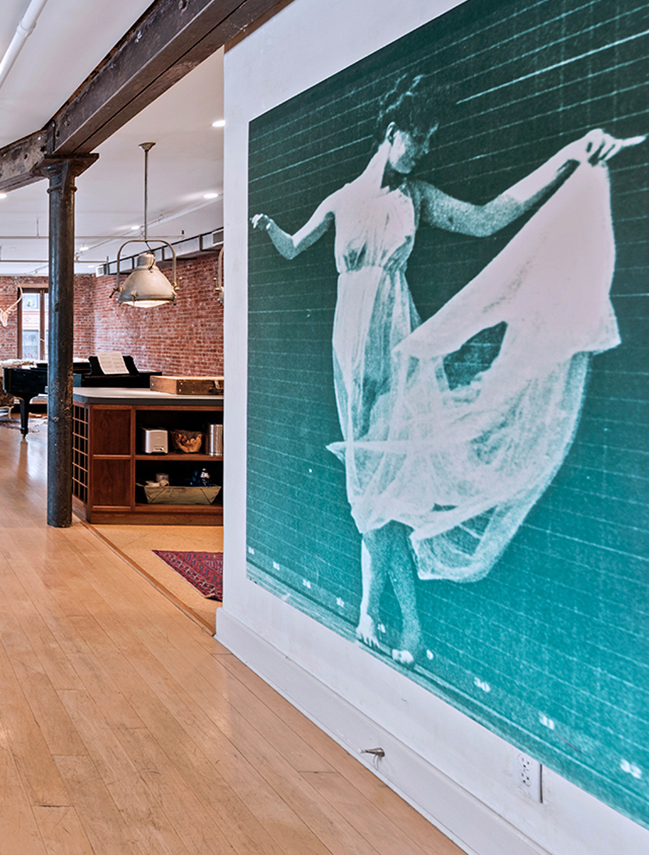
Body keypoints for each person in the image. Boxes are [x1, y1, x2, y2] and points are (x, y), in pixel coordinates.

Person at [251, 74, 640, 666]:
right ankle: (401, 623)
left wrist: (565, 158)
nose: (425, 150)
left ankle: (377, 614)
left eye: (431, 140)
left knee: (383, 490)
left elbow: (486, 218)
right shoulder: (341, 200)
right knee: (370, 492)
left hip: (395, 343)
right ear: (392, 132)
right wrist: (266, 228)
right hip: (348, 349)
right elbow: (293, 246)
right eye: (420, 137)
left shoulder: (417, 197)